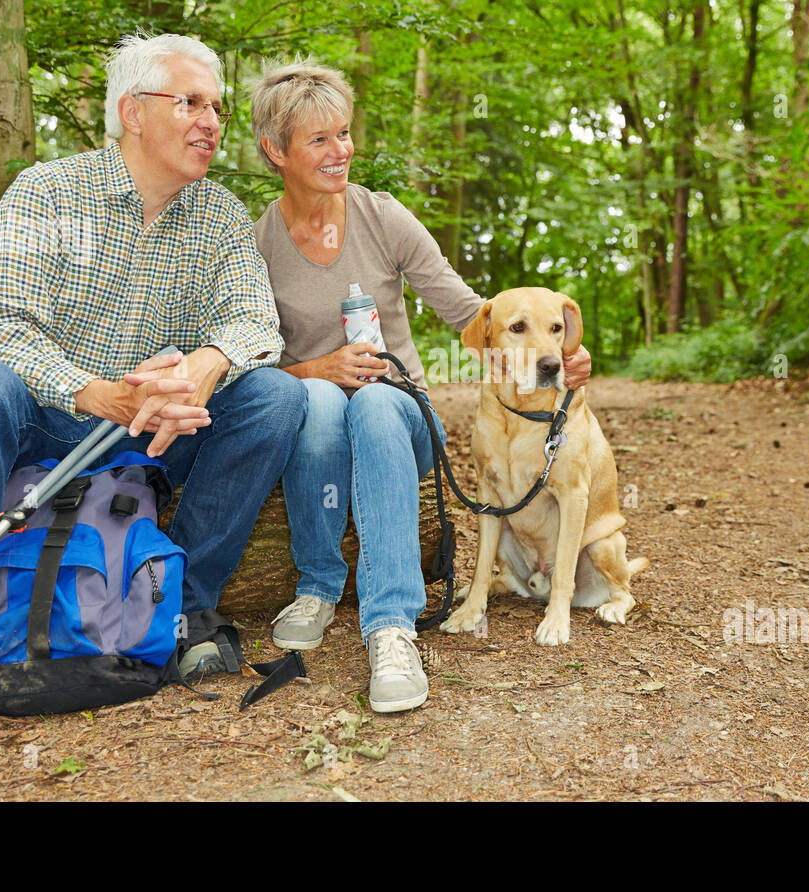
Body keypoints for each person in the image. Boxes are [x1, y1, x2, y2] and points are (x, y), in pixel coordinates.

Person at [0, 33, 307, 751]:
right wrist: (95, 391)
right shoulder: (47, 192)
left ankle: (179, 611)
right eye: (191, 103)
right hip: (50, 421)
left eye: (217, 107)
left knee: (274, 397)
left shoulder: (220, 215)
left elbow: (254, 320)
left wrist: (206, 363)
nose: (211, 121)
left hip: (156, 437)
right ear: (134, 112)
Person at [248, 58, 589, 713]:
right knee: (316, 398)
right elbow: (246, 360)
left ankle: (392, 626)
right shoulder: (257, 241)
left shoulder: (382, 217)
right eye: (319, 139)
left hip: (399, 422)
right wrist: (315, 369)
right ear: (275, 149)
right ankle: (319, 584)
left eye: (344, 134)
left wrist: (560, 346)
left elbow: (472, 311)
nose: (341, 150)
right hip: (314, 428)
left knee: (375, 401)